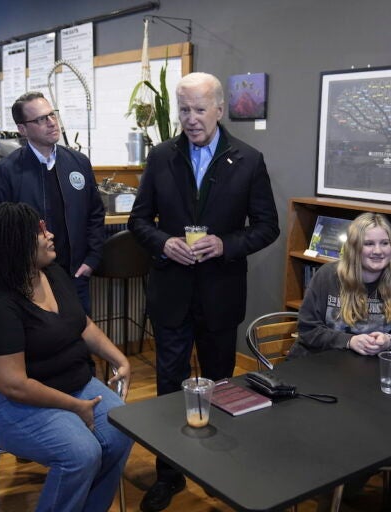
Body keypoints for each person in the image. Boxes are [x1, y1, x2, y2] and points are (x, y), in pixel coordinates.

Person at [128, 71, 280, 512]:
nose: (190, 119)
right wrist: (163, 242)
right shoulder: (161, 157)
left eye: (198, 109)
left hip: (220, 291)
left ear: (218, 108)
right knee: (169, 386)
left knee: (220, 383)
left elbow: (267, 226)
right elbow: (140, 221)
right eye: (183, 109)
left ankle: (218, 471)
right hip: (171, 292)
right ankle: (168, 474)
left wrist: (226, 244)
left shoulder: (248, 159)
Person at [0, 202, 133, 512]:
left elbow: (81, 323)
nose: (50, 235)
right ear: (15, 245)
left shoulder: (51, 273)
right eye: (40, 232)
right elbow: (14, 385)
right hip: (11, 403)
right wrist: (75, 407)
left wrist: (119, 358)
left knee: (122, 429)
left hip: (74, 385)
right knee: (81, 454)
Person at [0, 91, 105, 314]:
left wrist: (92, 259)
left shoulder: (78, 162)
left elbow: (95, 213)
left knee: (81, 341)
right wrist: (21, 272)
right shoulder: (6, 172)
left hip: (76, 275)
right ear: (22, 129)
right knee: (43, 345)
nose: (51, 123)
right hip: (30, 281)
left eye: (52, 115)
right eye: (41, 119)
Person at [289, 212, 391, 358]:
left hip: (363, 372)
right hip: (316, 364)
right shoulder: (327, 276)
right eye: (368, 244)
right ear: (354, 248)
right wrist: (348, 341)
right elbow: (307, 329)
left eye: (384, 243)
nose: (378, 251)